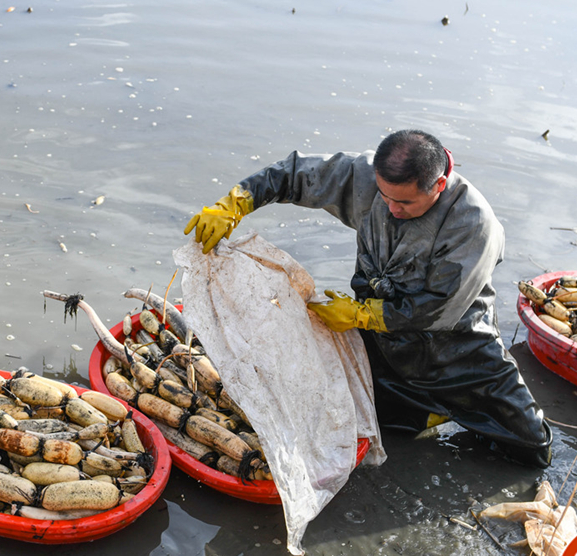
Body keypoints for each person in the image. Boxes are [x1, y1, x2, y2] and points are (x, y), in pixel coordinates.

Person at [184, 129, 553, 468]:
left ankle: (440, 404)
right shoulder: (365, 177)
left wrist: (363, 314)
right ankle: (420, 411)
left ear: (438, 184)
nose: (391, 209)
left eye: (404, 203)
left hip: (453, 345)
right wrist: (237, 201)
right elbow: (293, 174)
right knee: (358, 413)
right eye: (384, 196)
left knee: (532, 447)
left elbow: (438, 308)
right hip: (380, 336)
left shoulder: (473, 224)